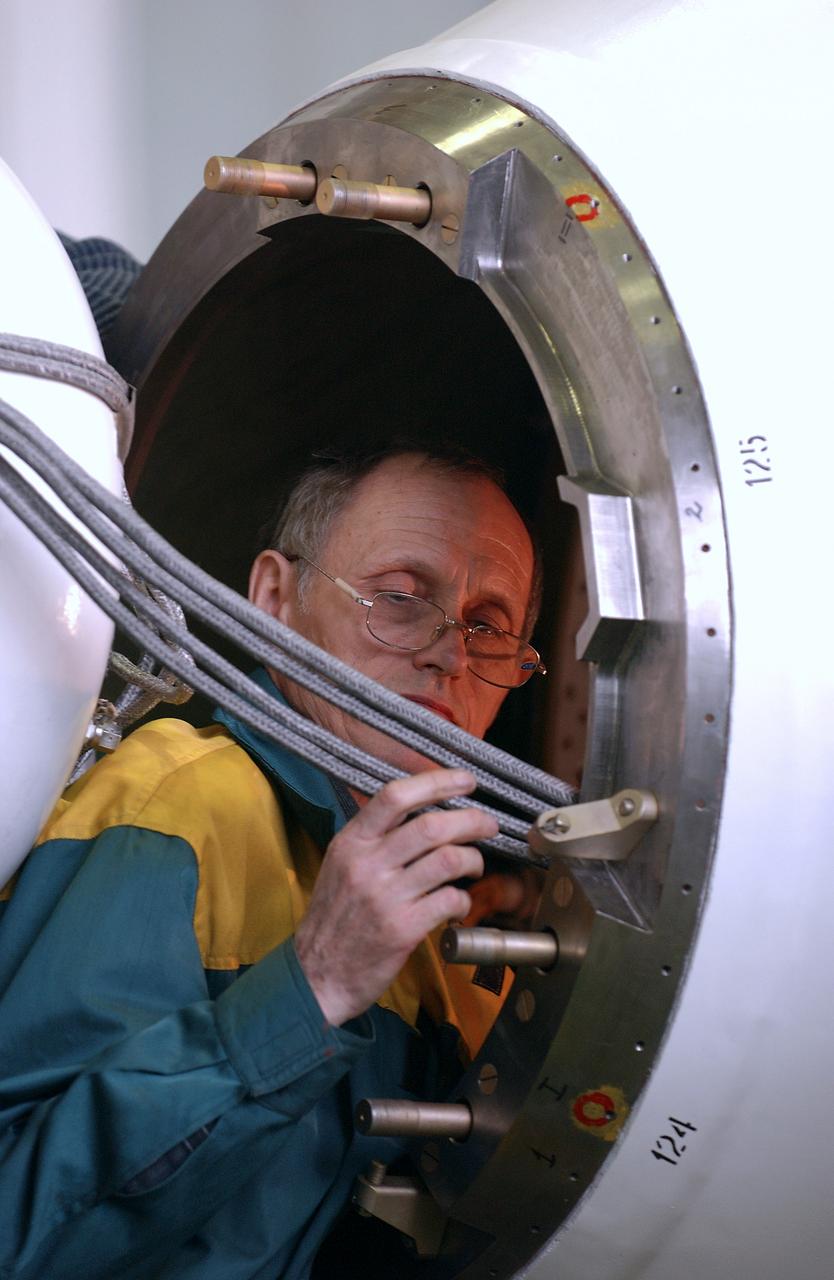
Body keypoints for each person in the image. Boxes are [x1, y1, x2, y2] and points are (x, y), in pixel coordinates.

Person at [0, 446, 544, 1279]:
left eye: (490, 626)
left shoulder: (455, 945)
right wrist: (312, 986)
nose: (449, 654)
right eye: (401, 598)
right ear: (274, 599)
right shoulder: (177, 805)